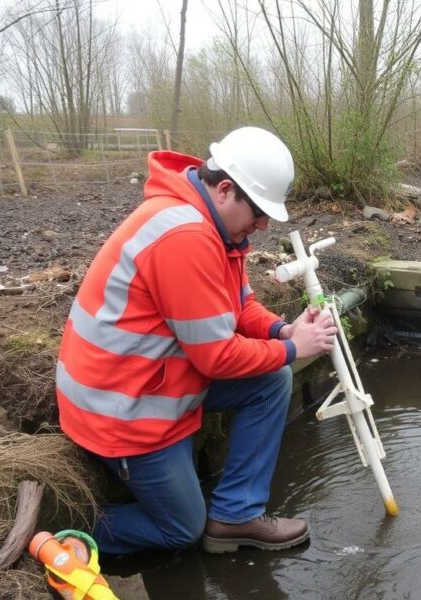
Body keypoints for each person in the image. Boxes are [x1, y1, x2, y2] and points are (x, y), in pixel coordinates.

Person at [55, 126, 338, 555]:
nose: (262, 225)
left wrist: (283, 331)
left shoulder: (217, 226)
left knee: (272, 379)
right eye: (259, 212)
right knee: (182, 528)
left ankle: (236, 515)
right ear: (225, 189)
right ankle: (68, 530)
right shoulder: (185, 236)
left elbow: (240, 304)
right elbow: (217, 358)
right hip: (121, 407)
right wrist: (296, 348)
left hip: (148, 380)